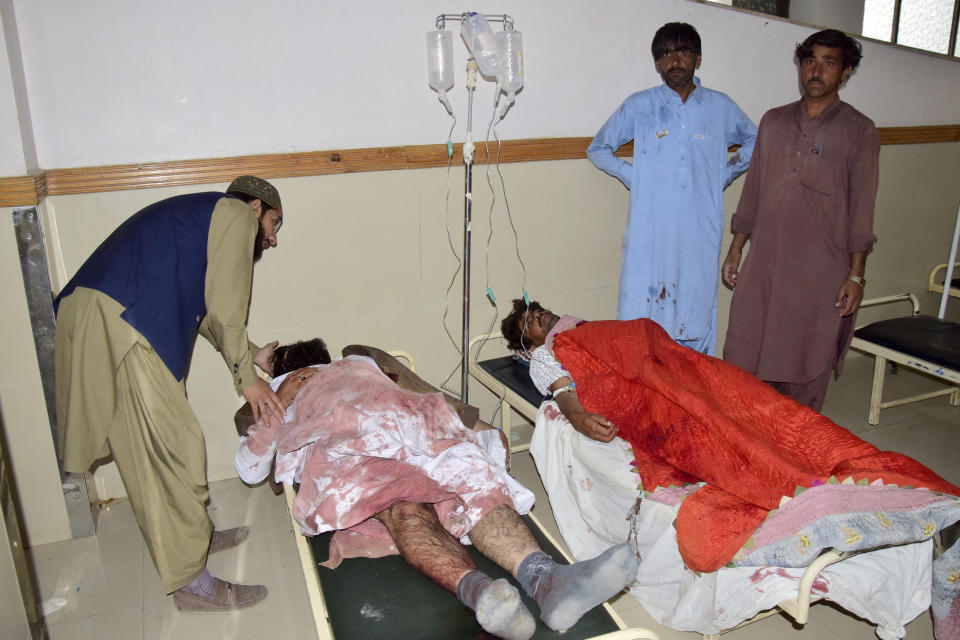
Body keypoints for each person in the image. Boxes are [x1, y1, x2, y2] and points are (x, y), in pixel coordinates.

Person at [235, 341, 638, 640]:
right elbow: (251, 470)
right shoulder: (276, 393)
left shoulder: (356, 359)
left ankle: (546, 579)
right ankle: (484, 597)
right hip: (345, 445)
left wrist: (473, 425)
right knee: (404, 507)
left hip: (416, 426)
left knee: (476, 484)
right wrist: (277, 393)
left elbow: (418, 386)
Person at [54, 175, 288, 612]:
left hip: (110, 315)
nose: (272, 238)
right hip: (123, 321)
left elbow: (206, 315)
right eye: (275, 223)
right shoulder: (235, 214)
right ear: (256, 206)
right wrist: (246, 380)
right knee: (174, 446)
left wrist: (252, 357)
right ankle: (192, 585)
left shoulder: (199, 223)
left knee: (149, 448)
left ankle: (192, 542)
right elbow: (226, 306)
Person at [722, 29, 880, 411]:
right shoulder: (773, 122)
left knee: (806, 362)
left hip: (820, 271)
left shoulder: (859, 130)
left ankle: (796, 456)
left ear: (846, 72)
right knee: (747, 354)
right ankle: (749, 450)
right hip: (765, 265)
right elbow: (754, 189)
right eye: (810, 61)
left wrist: (855, 275)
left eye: (829, 62)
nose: (816, 70)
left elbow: (862, 207)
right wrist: (736, 248)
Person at [587, 22, 757, 355]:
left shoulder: (720, 107)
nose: (674, 60)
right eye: (665, 53)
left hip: (700, 227)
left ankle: (691, 394)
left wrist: (723, 174)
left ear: (698, 58)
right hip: (650, 230)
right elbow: (598, 148)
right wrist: (635, 177)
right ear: (656, 63)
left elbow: (756, 141)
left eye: (682, 51)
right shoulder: (640, 105)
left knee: (695, 309)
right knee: (641, 311)